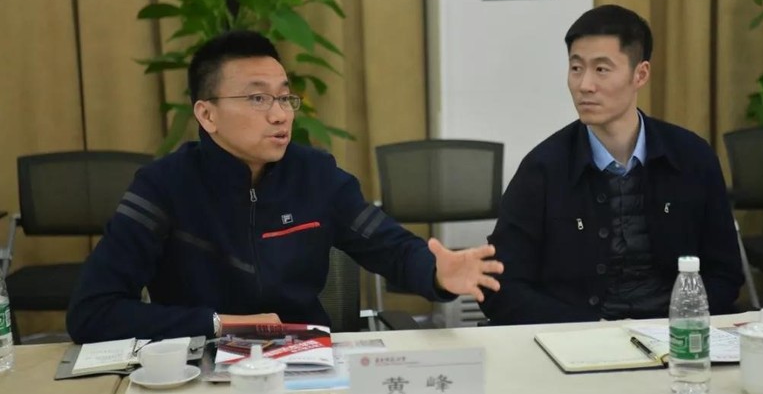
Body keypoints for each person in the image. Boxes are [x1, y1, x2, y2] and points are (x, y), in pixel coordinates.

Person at [67, 30, 503, 343]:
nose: (280, 115)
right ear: (207, 114)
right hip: (201, 364)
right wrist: (220, 324)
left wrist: (438, 273)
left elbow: (392, 248)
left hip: (304, 363)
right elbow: (93, 311)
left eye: (284, 97)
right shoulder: (163, 187)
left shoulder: (317, 176)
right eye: (257, 98)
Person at [479, 4, 743, 325]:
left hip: (676, 334)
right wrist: (586, 329)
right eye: (576, 68)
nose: (584, 85)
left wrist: (680, 325)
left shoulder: (692, 158)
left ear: (640, 74)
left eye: (601, 69)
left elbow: (724, 273)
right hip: (577, 337)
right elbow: (500, 286)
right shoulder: (543, 169)